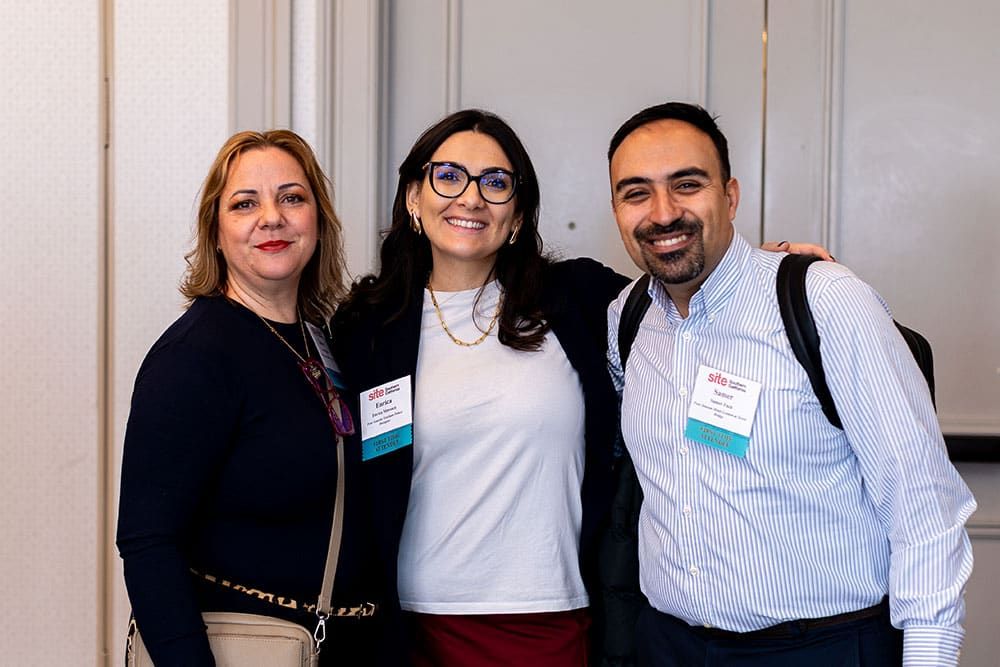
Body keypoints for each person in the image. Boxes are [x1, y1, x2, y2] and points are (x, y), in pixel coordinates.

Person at [332, 108, 828, 666]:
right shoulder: (366, 328)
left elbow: (687, 292)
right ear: (413, 198)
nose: (470, 198)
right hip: (407, 629)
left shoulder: (578, 298)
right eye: (448, 176)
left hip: (548, 619)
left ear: (518, 213)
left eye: (496, 182)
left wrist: (767, 271)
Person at [605, 102, 976, 666]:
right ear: (616, 209)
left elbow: (922, 501)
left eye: (687, 184)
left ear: (730, 196)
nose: (663, 213)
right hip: (670, 646)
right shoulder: (627, 319)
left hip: (824, 648)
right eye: (636, 193)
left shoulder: (823, 300)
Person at [116, 129, 400, 665]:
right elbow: (148, 542)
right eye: (245, 203)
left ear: (318, 220)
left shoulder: (323, 339)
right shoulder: (195, 355)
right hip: (246, 649)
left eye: (292, 197)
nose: (272, 218)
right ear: (216, 233)